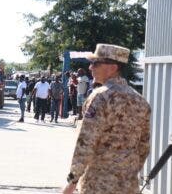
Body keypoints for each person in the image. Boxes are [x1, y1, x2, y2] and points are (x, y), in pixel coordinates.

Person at [63, 44, 151, 194]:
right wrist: (127, 170)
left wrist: (72, 181)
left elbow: (86, 142)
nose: (91, 68)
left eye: (96, 63)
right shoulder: (141, 101)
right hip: (128, 185)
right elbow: (143, 147)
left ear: (112, 68)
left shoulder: (100, 97)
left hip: (97, 184)